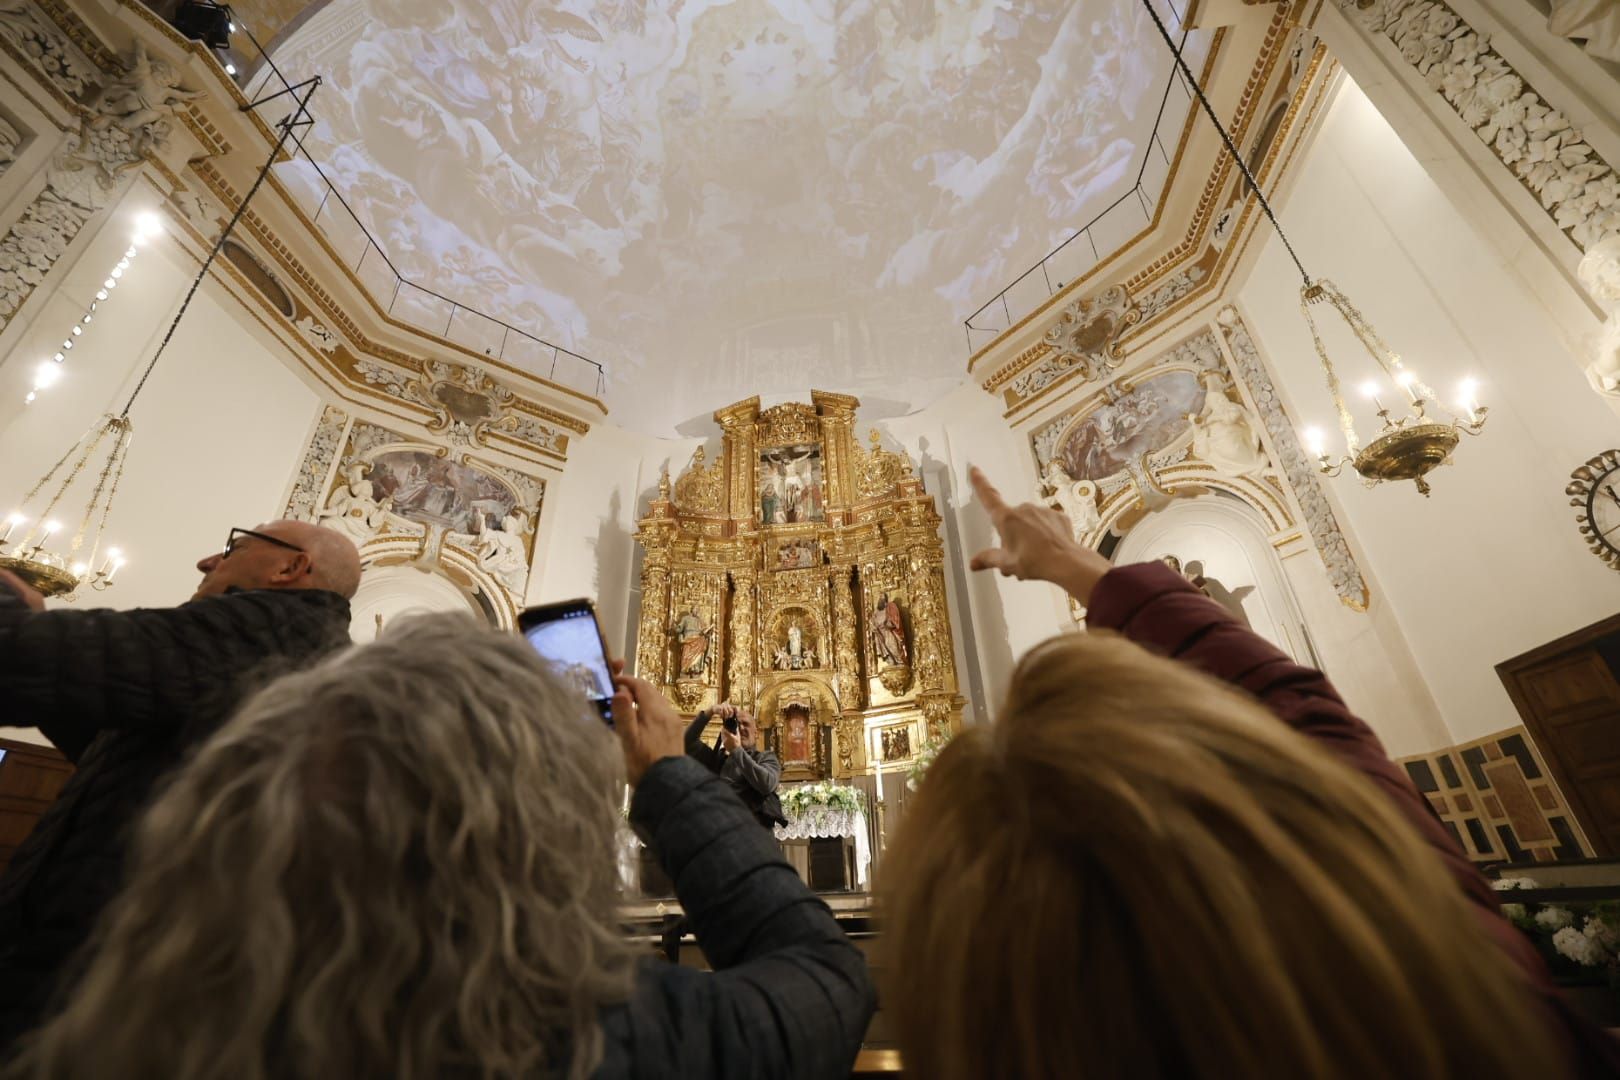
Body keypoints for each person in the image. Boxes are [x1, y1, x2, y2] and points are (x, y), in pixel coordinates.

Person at [879, 467, 1620, 1079]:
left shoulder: (1042, 1031)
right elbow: (1297, 709)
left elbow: (1299, 713)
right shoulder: (1443, 956)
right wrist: (1078, 567)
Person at [4, 615, 876, 1079]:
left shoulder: (117, 1022)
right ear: (540, 835)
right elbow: (823, 976)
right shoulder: (614, 1038)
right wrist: (664, 772)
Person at [0, 521, 362, 1050]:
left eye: (234, 548)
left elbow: (11, 660)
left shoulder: (257, 629)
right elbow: (136, 756)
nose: (208, 561)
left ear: (290, 567)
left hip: (85, 969)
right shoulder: (306, 654)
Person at [686, 702, 787, 831]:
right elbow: (687, 743)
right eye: (737, 724)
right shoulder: (716, 759)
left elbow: (767, 784)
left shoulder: (765, 758)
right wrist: (710, 712)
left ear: (756, 733)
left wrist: (736, 750)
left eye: (746, 724)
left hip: (752, 834)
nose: (741, 729)